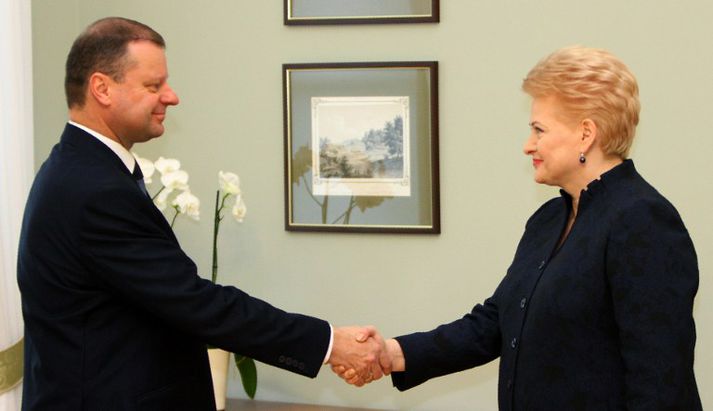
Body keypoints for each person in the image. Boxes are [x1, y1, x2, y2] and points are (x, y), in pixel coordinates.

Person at [17, 17, 389, 410]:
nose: (171, 97)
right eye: (153, 85)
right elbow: (196, 304)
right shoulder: (94, 189)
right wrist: (329, 344)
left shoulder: (77, 169)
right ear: (101, 88)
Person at [334, 46, 703, 410]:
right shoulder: (547, 220)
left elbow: (660, 382)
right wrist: (392, 353)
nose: (529, 146)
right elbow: (495, 323)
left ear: (586, 134)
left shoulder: (643, 221)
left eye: (539, 130)